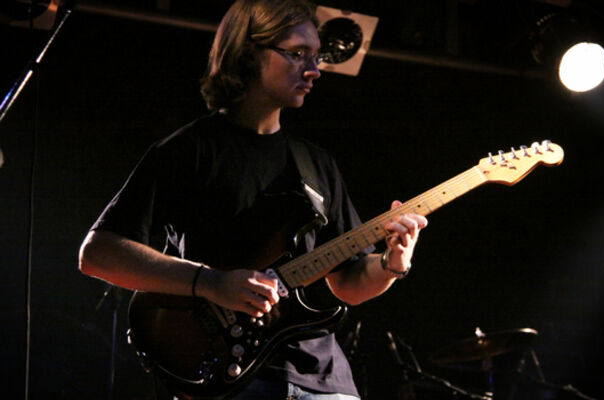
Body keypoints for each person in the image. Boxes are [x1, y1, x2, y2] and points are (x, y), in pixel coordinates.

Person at [78, 0, 428, 398]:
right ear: (248, 52)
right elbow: (98, 253)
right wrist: (210, 283)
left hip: (323, 381)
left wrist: (391, 264)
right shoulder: (188, 151)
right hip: (231, 379)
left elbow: (348, 284)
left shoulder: (316, 164)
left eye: (315, 56)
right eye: (298, 53)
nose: (313, 70)